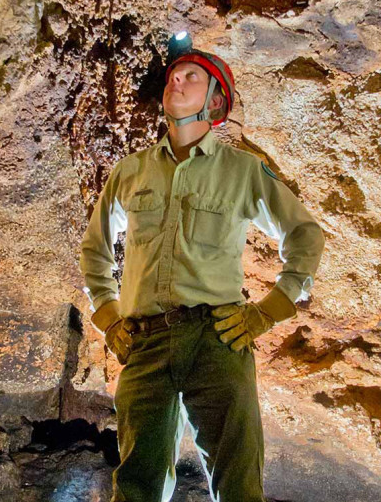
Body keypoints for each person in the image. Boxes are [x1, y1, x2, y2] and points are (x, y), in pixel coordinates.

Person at [79, 45, 325, 502]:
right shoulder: (130, 172)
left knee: (238, 485)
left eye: (192, 76)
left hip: (217, 338)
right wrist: (109, 317)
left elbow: (305, 234)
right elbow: (95, 249)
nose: (177, 80)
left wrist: (268, 311)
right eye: (175, 75)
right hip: (143, 341)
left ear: (215, 100)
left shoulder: (242, 170)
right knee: (135, 488)